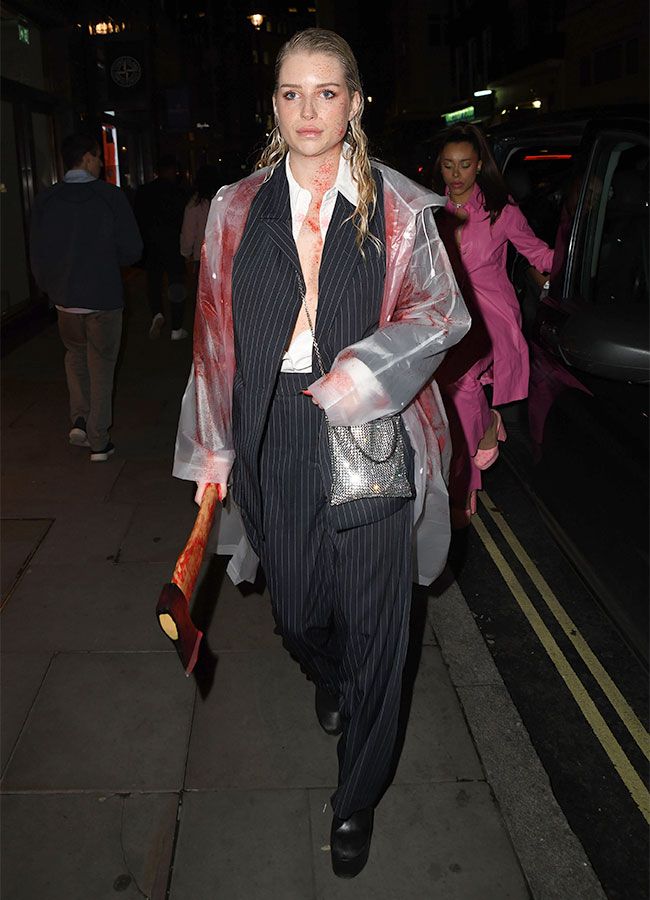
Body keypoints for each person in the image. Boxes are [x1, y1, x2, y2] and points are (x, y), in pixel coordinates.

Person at [173, 28, 469, 877]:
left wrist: (363, 373)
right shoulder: (235, 208)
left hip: (371, 433)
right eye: (293, 93)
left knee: (382, 628)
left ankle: (355, 800)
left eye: (327, 92)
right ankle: (327, 672)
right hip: (274, 437)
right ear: (274, 105)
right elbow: (214, 343)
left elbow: (441, 315)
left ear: (356, 102)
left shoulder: (401, 207)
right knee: (299, 610)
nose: (310, 110)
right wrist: (214, 450)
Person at [432, 124, 554, 526]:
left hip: (492, 315)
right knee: (445, 394)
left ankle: (466, 482)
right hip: (450, 315)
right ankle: (484, 427)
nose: (456, 174)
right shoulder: (431, 211)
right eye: (449, 165)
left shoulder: (502, 211)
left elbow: (538, 252)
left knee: (463, 383)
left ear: (479, 165)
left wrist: (574, 270)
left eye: (465, 165)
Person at [30, 132, 142, 461]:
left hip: (65, 299)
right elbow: (133, 249)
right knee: (102, 365)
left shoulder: (46, 199)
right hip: (103, 297)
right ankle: (98, 438)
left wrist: (50, 287)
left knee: (75, 356)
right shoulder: (109, 197)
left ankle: (78, 420)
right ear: (90, 158)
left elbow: (37, 251)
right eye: (97, 158)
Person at [135, 155, 189, 341]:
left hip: (151, 244)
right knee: (176, 285)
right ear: (172, 171)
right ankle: (176, 328)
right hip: (173, 244)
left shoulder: (143, 191)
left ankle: (157, 313)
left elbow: (138, 219)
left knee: (154, 281)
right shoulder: (179, 193)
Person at [180, 165, 222, 271]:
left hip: (202, 257)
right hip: (222, 255)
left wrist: (186, 253)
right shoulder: (224, 199)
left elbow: (188, 233)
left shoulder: (195, 204)